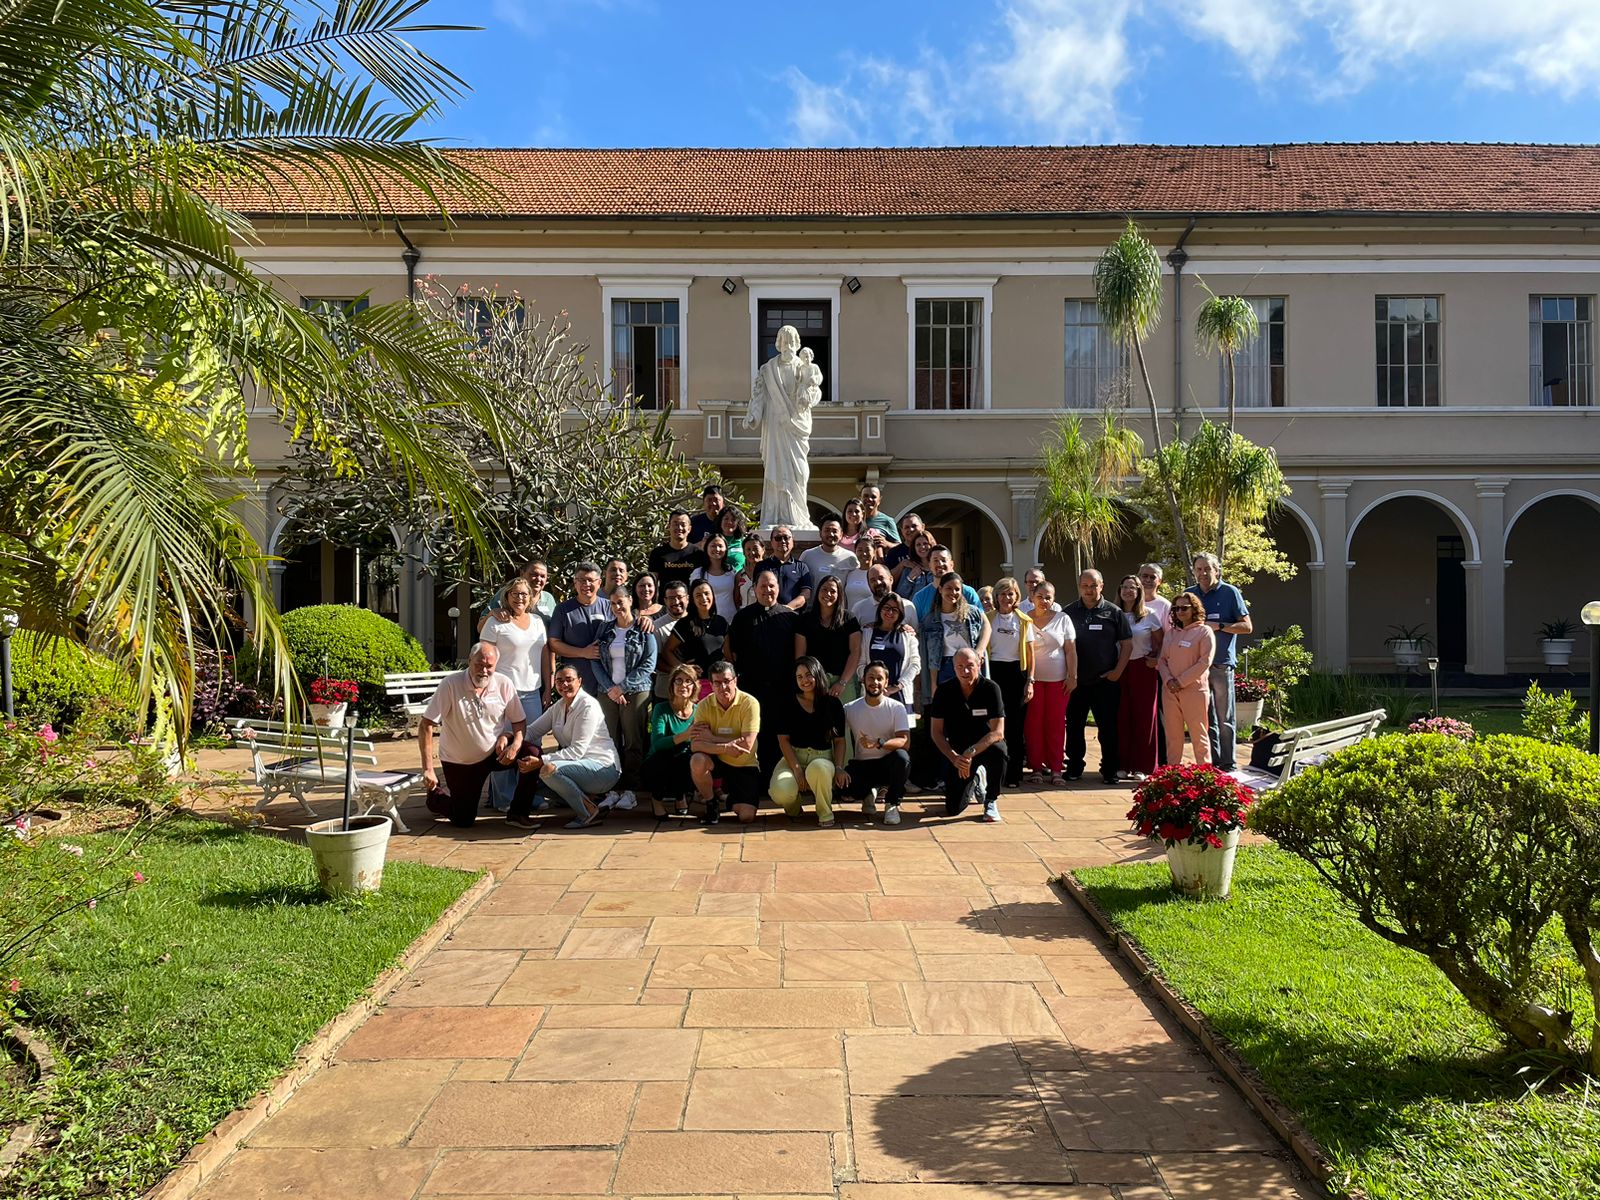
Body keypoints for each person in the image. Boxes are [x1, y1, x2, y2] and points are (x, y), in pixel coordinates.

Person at [419, 642, 534, 828]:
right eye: (479, 665)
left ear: (496, 665)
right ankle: (435, 797)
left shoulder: (504, 683)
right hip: (461, 762)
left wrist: (515, 744)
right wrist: (428, 769)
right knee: (463, 820)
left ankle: (518, 813)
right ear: (469, 661)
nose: (484, 671)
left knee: (533, 755)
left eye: (489, 666)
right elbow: (426, 725)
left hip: (495, 754)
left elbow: (519, 721)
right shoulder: (451, 684)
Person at [506, 665, 620, 830]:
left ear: (579, 681)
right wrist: (509, 737)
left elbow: (577, 751)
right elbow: (532, 731)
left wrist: (541, 761)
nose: (564, 684)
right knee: (532, 779)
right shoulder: (558, 707)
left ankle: (587, 813)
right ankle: (588, 800)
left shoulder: (588, 706)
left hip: (603, 769)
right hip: (577, 767)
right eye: (559, 681)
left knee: (548, 770)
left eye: (569, 680)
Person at [481, 577, 552, 812]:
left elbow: (544, 655)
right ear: (507, 596)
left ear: (531, 597)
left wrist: (548, 687)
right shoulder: (496, 621)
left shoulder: (538, 622)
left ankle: (527, 795)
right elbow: (485, 657)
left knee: (532, 745)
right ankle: (504, 798)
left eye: (524, 594)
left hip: (532, 691)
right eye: (515, 593)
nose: (520, 598)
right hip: (502, 692)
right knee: (502, 744)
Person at [745, 324, 821, 529]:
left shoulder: (804, 366)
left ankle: (799, 516)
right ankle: (774, 516)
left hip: (796, 426)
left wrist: (808, 397)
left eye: (791, 341)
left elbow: (815, 391)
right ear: (778, 343)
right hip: (774, 426)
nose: (788, 345)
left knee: (800, 472)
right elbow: (759, 395)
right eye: (784, 341)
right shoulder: (768, 369)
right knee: (775, 470)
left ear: (797, 343)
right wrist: (753, 416)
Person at [725, 569, 799, 775]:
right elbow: (732, 652)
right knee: (754, 735)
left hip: (783, 690)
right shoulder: (742, 618)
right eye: (763, 586)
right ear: (755, 589)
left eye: (772, 585)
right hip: (752, 690)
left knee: (781, 736)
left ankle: (779, 779)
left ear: (778, 588)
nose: (768, 590)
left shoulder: (791, 617)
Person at [1064, 570, 1133, 784]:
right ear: (1079, 586)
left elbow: (1127, 645)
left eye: (1093, 585)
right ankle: (1074, 767)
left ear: (1101, 586)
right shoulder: (1068, 612)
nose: (1089, 590)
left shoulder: (1114, 612)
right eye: (1085, 585)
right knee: (1074, 727)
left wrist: (1117, 672)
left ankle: (1110, 770)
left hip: (1105, 682)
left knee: (1108, 728)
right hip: (1077, 682)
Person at [593, 585, 656, 809]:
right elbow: (595, 659)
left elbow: (649, 663)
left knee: (632, 741)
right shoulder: (604, 629)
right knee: (609, 741)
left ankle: (631, 790)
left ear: (630, 600)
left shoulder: (643, 628)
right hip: (607, 692)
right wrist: (611, 688)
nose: (617, 607)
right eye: (613, 603)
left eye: (620, 602)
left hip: (636, 691)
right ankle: (612, 788)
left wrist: (623, 687)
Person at [928, 648, 1007, 822]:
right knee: (953, 809)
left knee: (1000, 751)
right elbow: (936, 732)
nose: (965, 671)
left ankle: (991, 800)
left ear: (979, 665)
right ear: (953, 668)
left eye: (970, 666)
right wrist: (954, 757)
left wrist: (971, 752)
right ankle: (976, 780)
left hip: (984, 745)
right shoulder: (944, 691)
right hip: (958, 750)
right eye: (960, 666)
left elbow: (998, 732)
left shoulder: (991, 688)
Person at [1191, 552, 1253, 771]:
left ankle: (1228, 763)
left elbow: (1247, 627)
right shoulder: (1190, 595)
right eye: (1199, 569)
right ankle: (1212, 763)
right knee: (1205, 718)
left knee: (1224, 717)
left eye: (1207, 569)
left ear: (1216, 570)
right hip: (1196, 666)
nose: (1203, 573)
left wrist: (1219, 626)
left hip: (1221, 664)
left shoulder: (1230, 593)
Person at [769, 656, 848, 826]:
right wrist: (797, 769)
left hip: (822, 758)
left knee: (819, 768)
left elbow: (840, 741)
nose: (804, 680)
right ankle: (794, 809)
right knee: (781, 791)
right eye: (799, 677)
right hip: (794, 756)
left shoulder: (833, 703)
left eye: (808, 675)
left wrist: (839, 767)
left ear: (817, 674)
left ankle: (825, 813)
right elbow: (783, 740)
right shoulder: (787, 702)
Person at [690, 661, 765, 825]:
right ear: (711, 685)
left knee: (746, 816)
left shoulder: (750, 703)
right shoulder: (703, 706)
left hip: (743, 763)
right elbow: (695, 745)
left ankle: (732, 799)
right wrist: (725, 747)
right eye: (717, 683)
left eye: (726, 681)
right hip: (716, 760)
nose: (723, 687)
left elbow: (747, 744)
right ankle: (711, 803)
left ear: (735, 680)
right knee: (697, 760)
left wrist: (712, 738)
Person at [838, 661, 913, 824]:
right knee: (842, 787)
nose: (875, 682)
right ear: (863, 680)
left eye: (880, 678)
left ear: (886, 682)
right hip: (862, 766)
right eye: (871, 678)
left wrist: (879, 743)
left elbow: (905, 741)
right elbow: (837, 738)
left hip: (887, 765)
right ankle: (867, 794)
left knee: (902, 758)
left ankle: (892, 804)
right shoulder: (850, 708)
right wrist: (838, 768)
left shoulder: (896, 707)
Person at [1026, 582, 1077, 785]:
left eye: (1048, 597)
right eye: (1040, 596)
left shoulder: (1063, 619)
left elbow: (1071, 650)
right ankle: (1036, 768)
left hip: (1059, 682)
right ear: (1033, 596)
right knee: (1033, 724)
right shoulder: (1024, 619)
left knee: (1055, 724)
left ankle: (1056, 768)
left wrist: (1072, 676)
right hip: (1033, 681)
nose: (1044, 601)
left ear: (1054, 599)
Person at [1157, 591, 1216, 767]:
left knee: (1199, 733)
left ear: (1194, 609)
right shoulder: (1171, 633)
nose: (1180, 612)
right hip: (1170, 690)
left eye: (1184, 608)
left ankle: (1204, 772)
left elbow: (1204, 662)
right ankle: (1173, 771)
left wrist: (1180, 681)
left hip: (1194, 690)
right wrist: (1169, 681)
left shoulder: (1204, 632)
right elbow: (1162, 660)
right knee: (1173, 735)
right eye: (1176, 609)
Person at [1116, 574, 1164, 781]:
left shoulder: (1149, 615)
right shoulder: (1114, 614)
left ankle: (1143, 766)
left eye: (1133, 587)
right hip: (1119, 669)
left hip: (1142, 669)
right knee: (1122, 717)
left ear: (1139, 592)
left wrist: (1156, 659)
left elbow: (1163, 642)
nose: (1128, 591)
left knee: (1144, 718)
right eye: (1125, 587)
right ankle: (1123, 764)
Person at [987, 577, 1034, 788]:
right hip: (994, 673)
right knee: (994, 724)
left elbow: (1031, 656)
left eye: (1011, 594)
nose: (1007, 598)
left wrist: (1030, 681)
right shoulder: (988, 618)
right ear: (996, 596)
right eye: (1003, 594)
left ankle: (1014, 775)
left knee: (1015, 727)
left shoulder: (1024, 621)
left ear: (1017, 596)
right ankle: (995, 772)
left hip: (1017, 674)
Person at [643, 663, 701, 816]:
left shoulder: (699, 711)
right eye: (679, 680)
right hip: (659, 760)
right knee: (662, 758)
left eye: (688, 681)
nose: (683, 685)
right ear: (672, 685)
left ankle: (680, 796)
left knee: (691, 758)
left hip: (684, 759)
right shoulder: (661, 709)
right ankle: (656, 800)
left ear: (694, 686)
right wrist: (686, 735)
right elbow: (657, 744)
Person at [547, 561, 612, 697]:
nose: (586, 584)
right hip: (575, 683)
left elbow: (627, 624)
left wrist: (643, 619)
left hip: (608, 682)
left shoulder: (610, 607)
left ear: (599, 583)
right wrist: (583, 652)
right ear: (575, 582)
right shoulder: (563, 609)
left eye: (590, 580)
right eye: (581, 580)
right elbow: (554, 644)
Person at [795, 574, 863, 701]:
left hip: (844, 682)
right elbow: (800, 655)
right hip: (815, 682)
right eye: (824, 589)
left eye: (833, 591)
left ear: (839, 595)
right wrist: (810, 681)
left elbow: (855, 652)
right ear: (818, 591)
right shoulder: (805, 620)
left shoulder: (849, 619)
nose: (828, 594)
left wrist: (842, 682)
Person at [920, 571, 991, 687]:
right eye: (949, 588)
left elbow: (986, 627)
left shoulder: (972, 612)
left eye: (957, 589)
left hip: (970, 664)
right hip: (946, 667)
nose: (953, 592)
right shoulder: (930, 620)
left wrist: (980, 650)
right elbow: (931, 656)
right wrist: (933, 684)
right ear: (940, 589)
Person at [666, 579, 729, 695]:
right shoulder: (685, 624)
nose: (704, 598)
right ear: (692, 599)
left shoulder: (721, 622)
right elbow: (667, 651)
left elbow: (728, 654)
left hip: (719, 684)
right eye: (698, 595)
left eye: (706, 593)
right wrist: (683, 668)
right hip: (695, 684)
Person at [859, 592, 921, 709]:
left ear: (900, 613)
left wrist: (898, 686)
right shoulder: (867, 633)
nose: (890, 612)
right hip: (873, 694)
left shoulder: (908, 635)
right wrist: (872, 683)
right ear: (880, 609)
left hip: (900, 695)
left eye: (895, 609)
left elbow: (915, 665)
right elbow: (861, 663)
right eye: (886, 608)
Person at [910, 545, 983, 622]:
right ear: (930, 566)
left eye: (943, 560)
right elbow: (916, 626)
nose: (940, 564)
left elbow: (983, 622)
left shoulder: (968, 592)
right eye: (935, 560)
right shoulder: (920, 597)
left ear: (951, 564)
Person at [479, 558, 556, 629]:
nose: (538, 579)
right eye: (534, 574)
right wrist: (492, 613)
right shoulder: (507, 593)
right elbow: (480, 628)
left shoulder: (549, 598)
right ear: (522, 574)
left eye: (543, 576)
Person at [755, 525, 813, 610]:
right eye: (778, 538)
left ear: (793, 541)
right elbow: (757, 590)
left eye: (786, 538)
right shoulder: (761, 566)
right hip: (766, 614)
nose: (782, 541)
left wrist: (786, 609)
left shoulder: (801, 567)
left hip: (793, 615)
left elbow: (806, 593)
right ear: (771, 542)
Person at [651, 581, 691, 703]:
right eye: (671, 598)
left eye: (679, 597)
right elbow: (655, 661)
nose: (676, 602)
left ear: (687, 598)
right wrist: (681, 672)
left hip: (694, 690)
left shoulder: (696, 621)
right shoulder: (656, 627)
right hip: (666, 691)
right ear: (665, 600)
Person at [649, 510, 709, 591]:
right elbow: (653, 583)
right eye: (675, 524)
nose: (679, 528)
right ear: (669, 526)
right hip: (665, 599)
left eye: (683, 525)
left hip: (691, 598)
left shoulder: (698, 554)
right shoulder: (657, 553)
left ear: (689, 529)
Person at [692, 533, 740, 620]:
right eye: (713, 546)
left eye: (720, 546)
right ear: (706, 548)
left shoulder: (731, 571)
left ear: (726, 549)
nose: (717, 549)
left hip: (731, 619)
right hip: (708, 620)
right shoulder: (698, 573)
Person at [799, 515, 856, 581]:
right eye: (827, 530)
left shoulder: (850, 557)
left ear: (841, 534)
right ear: (820, 533)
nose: (831, 534)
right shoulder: (807, 556)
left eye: (835, 531)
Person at [893, 530, 936, 600]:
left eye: (925, 543)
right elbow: (899, 597)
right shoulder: (909, 569)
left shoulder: (938, 568)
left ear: (931, 545)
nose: (922, 547)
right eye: (918, 544)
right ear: (914, 548)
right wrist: (910, 578)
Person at [734, 532, 767, 608]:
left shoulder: (770, 573)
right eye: (748, 549)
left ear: (763, 549)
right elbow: (736, 600)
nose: (752, 552)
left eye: (755, 548)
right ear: (744, 552)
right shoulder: (740, 575)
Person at [1138, 563, 1171, 628]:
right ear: (1138, 578)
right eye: (1145, 576)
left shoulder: (1165, 606)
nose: (1148, 580)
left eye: (1152, 577)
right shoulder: (1130, 601)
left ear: (1159, 581)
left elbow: (1169, 632)